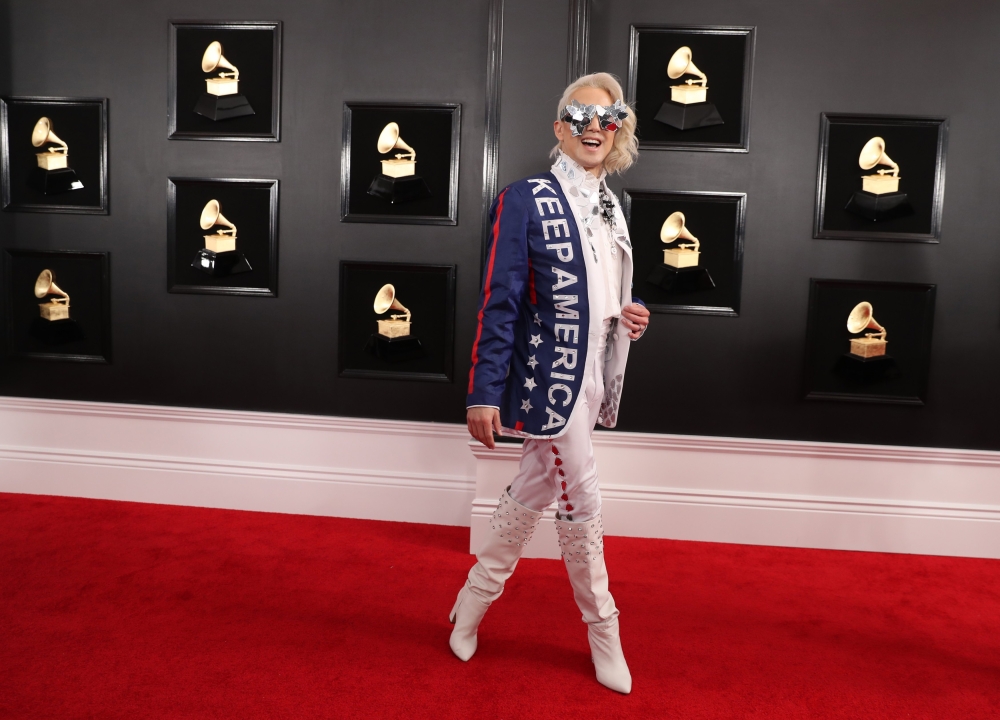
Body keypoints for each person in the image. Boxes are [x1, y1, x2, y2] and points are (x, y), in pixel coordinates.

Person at [450, 72, 650, 694]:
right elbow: (500, 299)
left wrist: (629, 309)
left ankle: (472, 601)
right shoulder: (525, 198)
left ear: (618, 131)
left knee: (536, 485)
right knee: (583, 500)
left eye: (607, 119)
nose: (595, 128)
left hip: (596, 373)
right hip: (548, 378)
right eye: (581, 117)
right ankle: (604, 632)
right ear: (560, 128)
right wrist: (484, 390)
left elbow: (601, 289)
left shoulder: (614, 203)